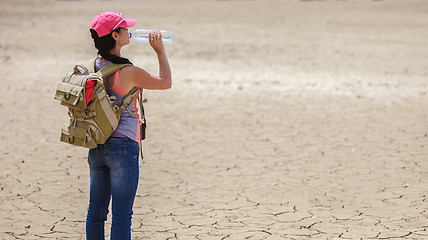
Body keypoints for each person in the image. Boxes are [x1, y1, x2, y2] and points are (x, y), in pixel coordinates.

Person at [86, 12, 172, 240]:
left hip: (97, 144)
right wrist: (160, 51)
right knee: (122, 215)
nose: (129, 31)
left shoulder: (93, 67)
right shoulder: (128, 72)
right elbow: (165, 82)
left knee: (95, 213)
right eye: (124, 28)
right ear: (115, 35)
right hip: (123, 146)